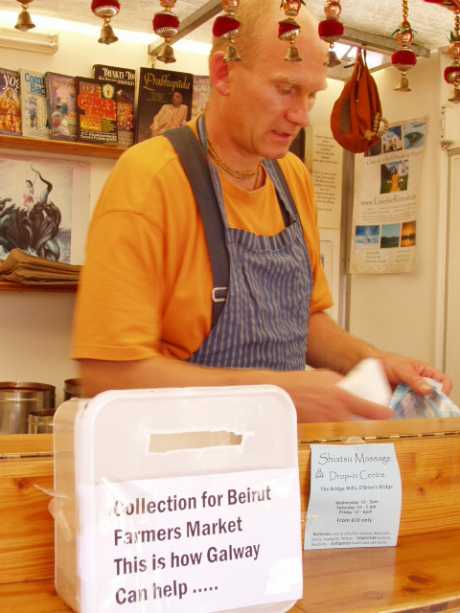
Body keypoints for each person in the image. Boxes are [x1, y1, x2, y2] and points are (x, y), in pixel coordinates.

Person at [72, 0, 451, 422]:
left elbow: (304, 320)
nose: (301, 115)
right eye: (285, 89)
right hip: (180, 468)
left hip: (274, 459)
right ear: (223, 74)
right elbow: (107, 373)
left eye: (311, 94)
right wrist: (278, 393)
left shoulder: (292, 177)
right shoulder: (150, 178)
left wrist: (372, 363)